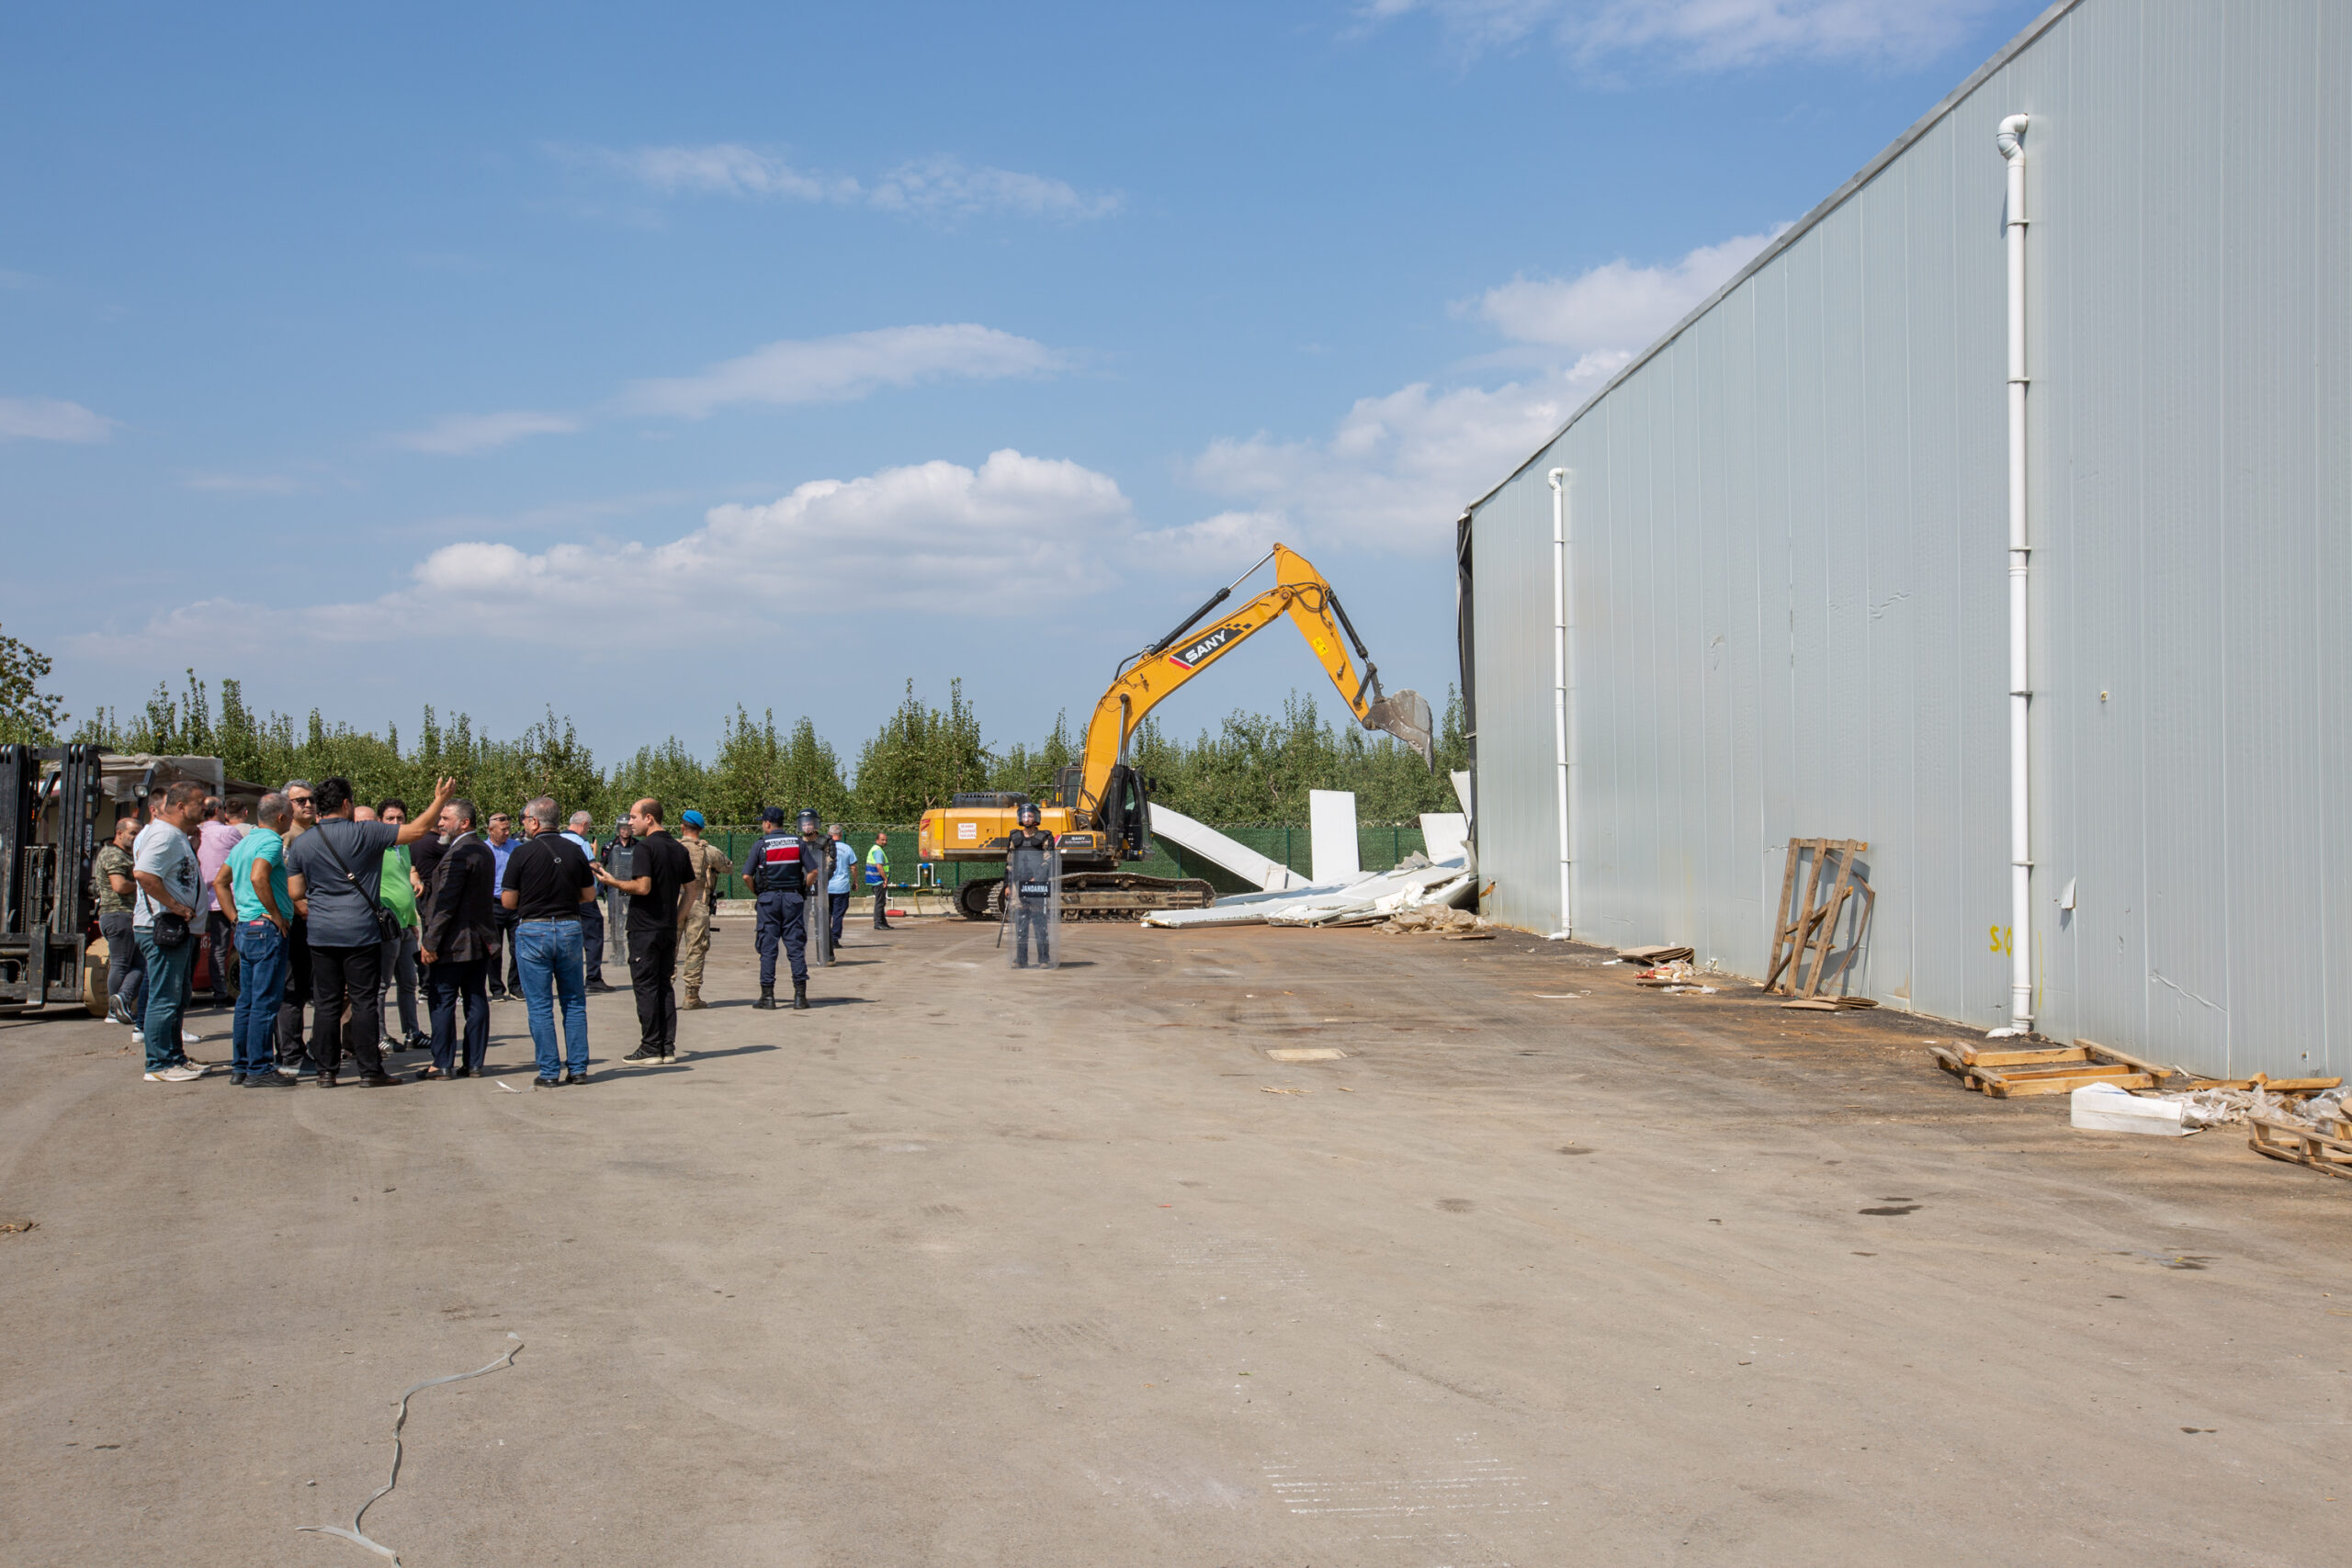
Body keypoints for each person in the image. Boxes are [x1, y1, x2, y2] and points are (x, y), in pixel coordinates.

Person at [284, 773, 455, 1088]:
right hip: (360, 931)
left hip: (321, 932)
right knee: (364, 1001)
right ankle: (369, 1071)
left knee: (326, 1003)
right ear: (346, 803)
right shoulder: (366, 832)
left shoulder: (302, 842)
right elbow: (417, 830)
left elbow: (295, 892)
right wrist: (440, 800)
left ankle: (326, 1072)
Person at [503, 795, 597, 1088]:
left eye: (524, 819)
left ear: (534, 822)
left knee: (540, 1005)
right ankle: (578, 1069)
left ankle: (548, 1072)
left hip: (534, 929)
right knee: (574, 1002)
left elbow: (508, 901)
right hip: (569, 926)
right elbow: (589, 895)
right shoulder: (575, 851)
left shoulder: (521, 853)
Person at [592, 796, 693, 1064]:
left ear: (649, 818)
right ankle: (666, 1047)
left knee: (646, 987)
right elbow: (692, 891)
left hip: (645, 929)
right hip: (666, 929)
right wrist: (676, 919)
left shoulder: (645, 848)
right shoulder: (679, 849)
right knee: (664, 986)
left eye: (634, 817)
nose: (630, 822)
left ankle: (650, 1047)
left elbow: (642, 887)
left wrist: (613, 882)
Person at [130, 781, 209, 1082]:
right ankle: (159, 1064)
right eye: (199, 803)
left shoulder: (176, 835)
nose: (205, 808)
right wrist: (176, 907)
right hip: (163, 929)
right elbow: (144, 874)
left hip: (178, 929)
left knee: (175, 998)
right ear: (180, 806)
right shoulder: (164, 835)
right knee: (164, 998)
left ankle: (175, 1057)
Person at [218, 793, 296, 1087]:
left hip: (247, 929)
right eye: (290, 815)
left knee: (247, 1002)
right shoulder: (271, 842)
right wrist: (276, 914)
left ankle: (241, 1065)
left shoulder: (243, 843)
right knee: (265, 1001)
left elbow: (220, 881)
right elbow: (258, 876)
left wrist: (235, 917)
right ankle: (260, 1068)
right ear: (281, 817)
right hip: (266, 930)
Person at [419, 796, 497, 1078]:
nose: (440, 823)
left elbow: (446, 903)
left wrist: (430, 942)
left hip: (453, 943)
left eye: (445, 819)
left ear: (464, 823)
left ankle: (441, 1063)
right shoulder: (484, 850)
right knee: (475, 999)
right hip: (479, 940)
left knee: (443, 1000)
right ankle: (474, 1063)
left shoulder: (458, 854)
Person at [740, 806, 814, 1010]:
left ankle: (768, 997)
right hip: (793, 899)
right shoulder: (797, 842)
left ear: (767, 823)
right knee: (795, 947)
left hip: (768, 900)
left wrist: (758, 892)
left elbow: (746, 876)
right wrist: (801, 889)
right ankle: (800, 997)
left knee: (768, 949)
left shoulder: (761, 845)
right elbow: (813, 871)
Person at [275, 780, 319, 1077]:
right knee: (291, 990)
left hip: (310, 922)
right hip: (295, 922)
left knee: (302, 989)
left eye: (311, 799)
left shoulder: (310, 833)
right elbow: (281, 880)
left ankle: (294, 1049)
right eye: (300, 800)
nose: (308, 805)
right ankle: (290, 1054)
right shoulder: (287, 837)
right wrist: (301, 906)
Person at [377, 798, 425, 1050]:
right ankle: (379, 1036)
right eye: (390, 818)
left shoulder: (403, 846)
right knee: (382, 985)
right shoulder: (375, 847)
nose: (396, 823)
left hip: (406, 925)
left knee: (408, 982)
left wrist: (412, 919)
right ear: (379, 821)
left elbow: (408, 872)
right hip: (387, 926)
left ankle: (412, 1032)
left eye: (400, 819)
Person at [94, 814, 146, 1026]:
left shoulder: (126, 855)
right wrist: (142, 884)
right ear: (119, 833)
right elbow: (120, 886)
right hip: (119, 914)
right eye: (132, 833)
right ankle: (114, 1010)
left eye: (139, 834)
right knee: (122, 963)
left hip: (123, 915)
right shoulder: (113, 854)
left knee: (139, 964)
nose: (135, 838)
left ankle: (121, 1002)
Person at [196, 795, 248, 1009]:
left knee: (206, 948)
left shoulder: (196, 833)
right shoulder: (229, 833)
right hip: (225, 899)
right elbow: (245, 858)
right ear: (218, 810)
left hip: (201, 899)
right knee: (227, 947)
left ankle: (217, 991)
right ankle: (226, 991)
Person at [674, 809, 729, 1010]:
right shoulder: (709, 851)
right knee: (696, 949)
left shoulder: (673, 847)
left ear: (682, 827)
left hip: (673, 902)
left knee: (668, 948)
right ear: (701, 829)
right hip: (698, 903)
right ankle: (691, 996)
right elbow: (728, 867)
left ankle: (664, 993)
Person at [563, 810, 613, 992]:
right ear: (584, 824)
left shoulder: (559, 840)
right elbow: (592, 868)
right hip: (584, 896)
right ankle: (593, 978)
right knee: (593, 934)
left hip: (563, 897)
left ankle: (568, 978)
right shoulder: (581, 843)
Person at [1005, 800, 1057, 970]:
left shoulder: (1044, 837)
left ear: (1036, 817)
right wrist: (1007, 885)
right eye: (1024, 815)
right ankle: (1021, 959)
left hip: (1037, 885)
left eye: (1030, 815)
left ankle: (1044, 958)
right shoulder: (1015, 837)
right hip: (1018, 883)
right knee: (1021, 922)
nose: (1027, 818)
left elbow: (1048, 861)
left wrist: (1038, 878)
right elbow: (1009, 863)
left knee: (1040, 921)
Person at [483, 811, 521, 999]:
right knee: (494, 949)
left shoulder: (516, 848)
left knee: (518, 947)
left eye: (508, 829)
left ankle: (516, 986)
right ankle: (496, 989)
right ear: (491, 830)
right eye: (502, 830)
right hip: (492, 904)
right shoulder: (483, 850)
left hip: (515, 904)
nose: (507, 833)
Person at [797, 808, 834, 967]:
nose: (807, 827)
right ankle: (800, 956)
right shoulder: (798, 842)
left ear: (815, 824)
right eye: (804, 824)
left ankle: (827, 955)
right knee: (801, 921)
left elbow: (830, 862)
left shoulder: (826, 841)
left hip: (820, 886)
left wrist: (822, 878)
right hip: (802, 886)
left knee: (823, 920)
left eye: (809, 823)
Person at [825, 823, 857, 950]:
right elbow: (853, 867)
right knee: (838, 914)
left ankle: (825, 937)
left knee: (826, 913)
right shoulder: (847, 848)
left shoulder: (824, 848)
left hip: (826, 886)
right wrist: (855, 882)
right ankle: (834, 939)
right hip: (841, 887)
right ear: (841, 835)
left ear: (829, 834)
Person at [865, 829, 893, 930]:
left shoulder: (875, 849)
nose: (884, 842)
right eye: (882, 840)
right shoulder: (878, 851)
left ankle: (883, 923)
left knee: (881, 902)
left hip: (875, 880)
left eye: (886, 840)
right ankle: (878, 923)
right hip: (878, 880)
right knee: (880, 902)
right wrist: (885, 879)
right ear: (877, 840)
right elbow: (879, 866)